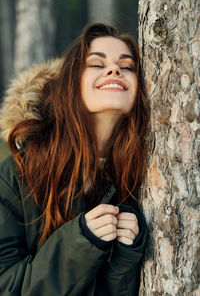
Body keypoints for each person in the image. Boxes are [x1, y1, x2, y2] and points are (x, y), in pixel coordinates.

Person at [0, 23, 149, 295]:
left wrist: (123, 262)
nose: (115, 70)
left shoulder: (145, 177)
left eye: (127, 66)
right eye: (96, 64)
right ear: (70, 83)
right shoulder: (16, 173)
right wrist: (81, 242)